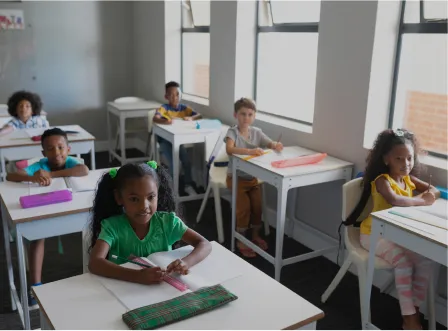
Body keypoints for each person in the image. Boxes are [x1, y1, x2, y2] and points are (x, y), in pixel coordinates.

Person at [345, 128, 440, 330]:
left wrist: (431, 193)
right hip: (372, 235)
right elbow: (395, 201)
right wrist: (422, 200)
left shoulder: (408, 179)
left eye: (409, 158)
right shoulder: (382, 181)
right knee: (403, 263)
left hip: (396, 235)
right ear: (387, 159)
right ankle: (410, 319)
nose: (406, 164)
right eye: (399, 159)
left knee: (426, 261)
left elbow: (435, 190)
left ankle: (411, 309)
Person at [88, 161, 212, 285]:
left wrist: (186, 262)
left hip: (162, 291)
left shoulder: (167, 222)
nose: (144, 206)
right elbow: (95, 263)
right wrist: (137, 276)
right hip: (124, 291)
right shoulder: (113, 227)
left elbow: (204, 244)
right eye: (134, 199)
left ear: (158, 194)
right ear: (119, 198)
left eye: (151, 197)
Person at [225, 97, 283, 258]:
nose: (246, 118)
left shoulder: (257, 132)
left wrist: (275, 145)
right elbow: (230, 150)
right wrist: (250, 151)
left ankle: (255, 235)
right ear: (235, 115)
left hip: (252, 179)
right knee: (243, 209)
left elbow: (269, 143)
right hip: (236, 179)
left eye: (250, 114)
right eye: (243, 114)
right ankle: (241, 239)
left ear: (254, 116)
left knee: (257, 208)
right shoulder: (232, 132)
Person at [152, 81, 201, 196]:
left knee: (187, 162)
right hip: (165, 141)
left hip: (178, 142)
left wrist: (191, 118)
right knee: (175, 164)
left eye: (177, 94)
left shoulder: (184, 108)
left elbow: (199, 115)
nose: (175, 97)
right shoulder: (164, 108)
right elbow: (155, 118)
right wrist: (165, 121)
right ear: (166, 96)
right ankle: (172, 190)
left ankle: (188, 185)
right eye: (171, 94)